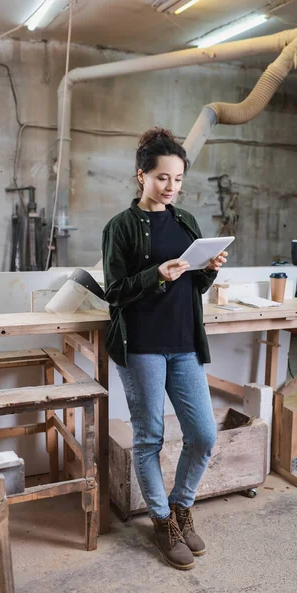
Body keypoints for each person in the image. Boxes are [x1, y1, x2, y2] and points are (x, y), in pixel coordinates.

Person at [102, 127, 227, 570]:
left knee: (204, 434)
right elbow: (114, 291)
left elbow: (192, 285)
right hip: (143, 346)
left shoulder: (185, 221)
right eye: (161, 178)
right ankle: (161, 521)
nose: (170, 187)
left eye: (177, 179)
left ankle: (180, 506)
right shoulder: (120, 226)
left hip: (183, 342)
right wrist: (158, 274)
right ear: (142, 176)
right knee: (150, 436)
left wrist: (207, 269)